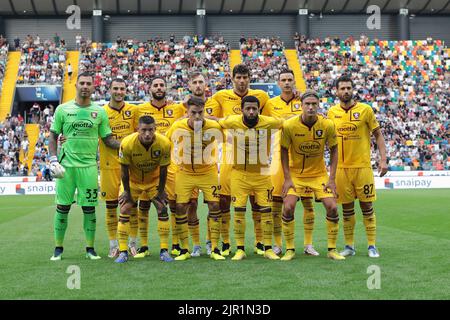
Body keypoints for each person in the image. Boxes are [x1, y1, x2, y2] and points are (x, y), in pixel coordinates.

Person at [48, 72, 120, 261]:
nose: (85, 86)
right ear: (76, 85)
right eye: (82, 83)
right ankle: (58, 249)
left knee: (89, 209)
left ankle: (90, 249)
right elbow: (53, 136)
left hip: (88, 167)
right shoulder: (63, 109)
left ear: (93, 87)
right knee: (62, 207)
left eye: (89, 83)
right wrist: (53, 159)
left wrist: (129, 144)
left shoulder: (100, 112)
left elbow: (108, 140)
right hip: (66, 168)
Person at [209, 64, 270, 257]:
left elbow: (272, 120)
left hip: (256, 156)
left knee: (257, 201)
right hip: (230, 157)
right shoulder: (220, 96)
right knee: (225, 200)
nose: (242, 81)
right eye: (239, 77)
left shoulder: (261, 97)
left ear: (250, 77)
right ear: (232, 78)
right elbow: (209, 119)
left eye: (245, 77)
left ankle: (260, 242)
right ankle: (226, 242)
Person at [280, 90, 345, 261]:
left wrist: (331, 179)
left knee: (332, 206)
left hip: (319, 174)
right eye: (307, 104)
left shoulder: (327, 125)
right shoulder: (289, 125)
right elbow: (283, 151)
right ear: (301, 106)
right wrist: (287, 178)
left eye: (314, 104)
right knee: (288, 207)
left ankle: (332, 249)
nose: (310, 107)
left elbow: (334, 149)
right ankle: (290, 249)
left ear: (318, 105)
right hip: (296, 175)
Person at [327, 75, 388, 258]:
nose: (346, 91)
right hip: (341, 169)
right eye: (342, 88)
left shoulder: (365, 110)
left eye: (348, 88)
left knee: (367, 207)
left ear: (353, 89)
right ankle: (349, 246)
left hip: (362, 167)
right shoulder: (332, 112)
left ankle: (371, 245)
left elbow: (378, 135)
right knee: (346, 209)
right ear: (336, 91)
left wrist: (383, 159)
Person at [218, 95, 282, 261]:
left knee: (266, 211)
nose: (252, 111)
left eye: (255, 108)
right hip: (239, 175)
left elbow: (286, 122)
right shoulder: (232, 121)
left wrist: (318, 116)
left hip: (262, 175)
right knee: (239, 211)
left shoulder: (268, 122)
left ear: (259, 109)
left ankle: (268, 248)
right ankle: (240, 249)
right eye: (248, 108)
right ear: (242, 109)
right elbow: (216, 123)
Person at [262, 69, 319, 257]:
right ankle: (278, 244)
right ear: (278, 83)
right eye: (283, 80)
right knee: (277, 203)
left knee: (308, 203)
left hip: (305, 160)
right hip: (280, 159)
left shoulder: (303, 102)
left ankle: (309, 244)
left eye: (289, 80)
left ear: (294, 82)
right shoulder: (270, 104)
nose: (286, 83)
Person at [167, 97, 223, 261]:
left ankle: (214, 248)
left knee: (214, 205)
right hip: (185, 172)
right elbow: (164, 142)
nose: (197, 116)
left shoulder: (214, 126)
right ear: (187, 112)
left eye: (200, 112)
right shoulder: (178, 126)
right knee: (181, 207)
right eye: (193, 113)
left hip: (208, 172)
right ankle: (186, 249)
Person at [136, 77, 185, 258]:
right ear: (149, 88)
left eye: (161, 85)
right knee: (144, 205)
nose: (159, 88)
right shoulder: (139, 109)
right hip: (146, 165)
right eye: (155, 85)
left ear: (166, 88)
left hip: (170, 164)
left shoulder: (177, 108)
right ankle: (144, 245)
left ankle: (174, 245)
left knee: (172, 204)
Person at [115, 115, 173, 263]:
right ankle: (122, 251)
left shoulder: (164, 143)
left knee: (162, 208)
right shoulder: (127, 143)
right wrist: (127, 191)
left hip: (153, 180)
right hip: (133, 181)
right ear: (138, 130)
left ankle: (164, 250)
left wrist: (160, 191)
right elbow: (123, 170)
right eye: (144, 130)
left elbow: (164, 170)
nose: (147, 134)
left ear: (155, 129)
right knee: (124, 209)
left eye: (151, 130)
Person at [98, 78, 139, 258]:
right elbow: (105, 140)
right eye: (116, 88)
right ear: (109, 90)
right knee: (110, 207)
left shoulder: (133, 110)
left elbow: (139, 135)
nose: (119, 91)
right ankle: (113, 245)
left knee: (131, 206)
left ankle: (132, 243)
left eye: (122, 88)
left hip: (130, 167)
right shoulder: (101, 113)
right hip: (108, 167)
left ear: (126, 90)